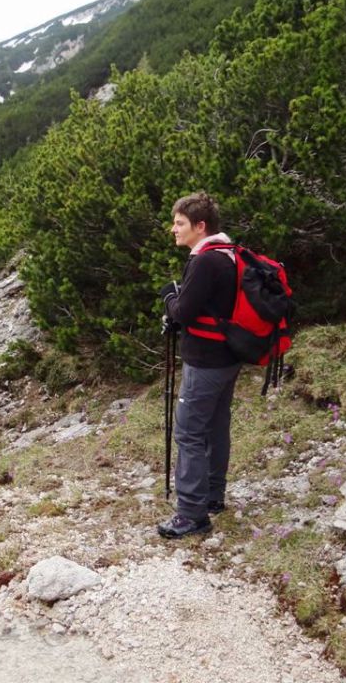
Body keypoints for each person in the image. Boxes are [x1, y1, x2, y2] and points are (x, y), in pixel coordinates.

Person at [158, 191, 243, 538]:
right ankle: (212, 496)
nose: (173, 229)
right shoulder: (230, 253)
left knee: (189, 433)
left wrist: (169, 297)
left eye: (179, 223)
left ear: (200, 225)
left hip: (205, 361)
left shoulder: (205, 260)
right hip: (228, 357)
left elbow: (186, 311)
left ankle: (192, 513)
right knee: (215, 427)